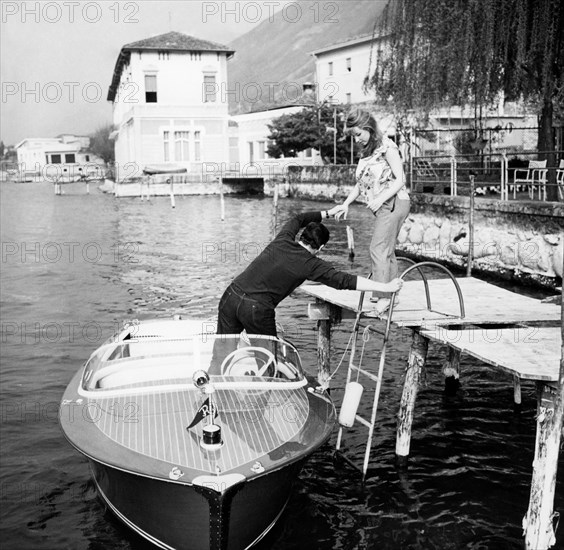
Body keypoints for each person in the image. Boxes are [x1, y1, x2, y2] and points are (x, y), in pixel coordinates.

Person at [216, 208, 404, 337]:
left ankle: (213, 391)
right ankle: (266, 391)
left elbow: (298, 219)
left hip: (231, 295)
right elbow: (345, 280)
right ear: (321, 247)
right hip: (256, 309)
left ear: (301, 236)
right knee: (266, 361)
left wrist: (329, 212)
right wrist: (385, 286)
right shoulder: (311, 264)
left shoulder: (283, 238)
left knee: (222, 352)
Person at [333, 108, 410, 314]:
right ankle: (389, 294)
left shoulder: (388, 147)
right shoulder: (367, 153)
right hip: (384, 205)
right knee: (387, 250)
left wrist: (380, 199)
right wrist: (346, 203)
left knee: (377, 249)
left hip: (394, 202)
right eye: (353, 136)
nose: (356, 139)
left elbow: (401, 179)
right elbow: (362, 183)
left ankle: (384, 295)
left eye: (358, 134)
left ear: (369, 128)